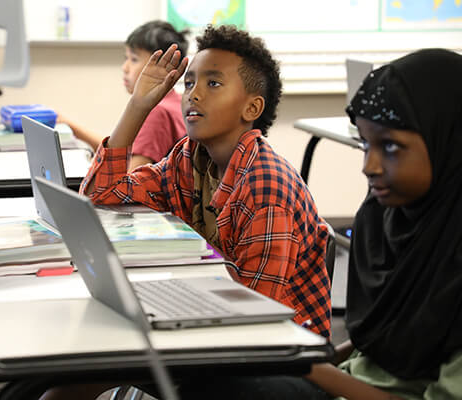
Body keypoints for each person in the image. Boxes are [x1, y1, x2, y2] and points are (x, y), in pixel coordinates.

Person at [177, 48, 462, 400]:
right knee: (193, 373)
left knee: (207, 381)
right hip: (345, 381)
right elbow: (373, 345)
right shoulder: (389, 220)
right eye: (364, 144)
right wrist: (314, 359)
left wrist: (305, 365)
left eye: (390, 147)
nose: (368, 166)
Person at [81, 24, 331, 339]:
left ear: (252, 107)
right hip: (215, 313)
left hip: (278, 357)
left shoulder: (266, 187)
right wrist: (138, 106)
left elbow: (259, 316)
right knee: (94, 348)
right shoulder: (188, 160)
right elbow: (102, 197)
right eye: (189, 83)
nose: (194, 94)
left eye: (213, 83)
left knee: (106, 347)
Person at [61, 20, 188, 171]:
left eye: (134, 59)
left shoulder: (157, 112)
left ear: (165, 65)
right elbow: (117, 148)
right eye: (125, 58)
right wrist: (70, 126)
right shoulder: (174, 102)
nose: (125, 67)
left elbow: (129, 179)